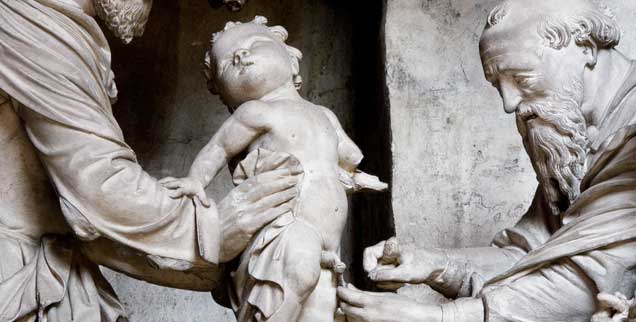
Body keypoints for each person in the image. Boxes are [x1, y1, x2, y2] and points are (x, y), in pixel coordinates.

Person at [0, 1, 301, 321]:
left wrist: (244, 264)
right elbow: (99, 188)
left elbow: (95, 234)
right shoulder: (25, 19)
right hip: (23, 280)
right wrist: (211, 229)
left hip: (56, 282)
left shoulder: (57, 24)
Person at [338, 0, 636, 321]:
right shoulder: (570, 140)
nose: (510, 104)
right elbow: (532, 254)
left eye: (521, 78)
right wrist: (439, 266)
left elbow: (596, 278)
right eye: (498, 86)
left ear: (586, 49)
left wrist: (442, 318)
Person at [160, 16, 386, 322]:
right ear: (221, 91)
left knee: (323, 305)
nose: (240, 55)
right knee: (299, 269)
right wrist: (194, 181)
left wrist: (358, 176)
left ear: (291, 60)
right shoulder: (256, 112)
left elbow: (349, 155)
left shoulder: (324, 114)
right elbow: (219, 148)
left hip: (329, 239)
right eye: (227, 62)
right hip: (284, 230)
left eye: (254, 44)